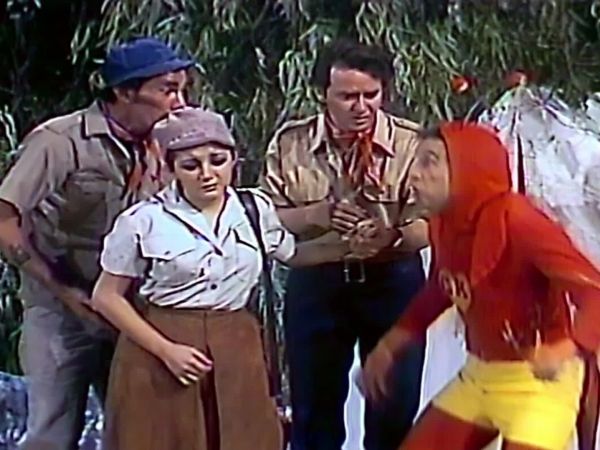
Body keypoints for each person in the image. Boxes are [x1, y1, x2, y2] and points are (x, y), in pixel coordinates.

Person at [92, 106, 353, 450]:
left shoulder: (253, 208)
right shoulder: (143, 221)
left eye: (217, 161)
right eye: (191, 165)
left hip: (235, 343)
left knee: (242, 437)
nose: (207, 174)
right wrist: (166, 350)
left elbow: (292, 254)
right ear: (171, 169)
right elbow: (106, 296)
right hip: (163, 343)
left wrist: (351, 246)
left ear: (233, 161)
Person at [0, 37, 193, 450]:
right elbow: (4, 219)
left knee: (137, 428)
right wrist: (62, 291)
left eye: (181, 90)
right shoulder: (60, 141)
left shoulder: (168, 143)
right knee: (52, 429)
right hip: (62, 304)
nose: (179, 102)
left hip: (132, 306)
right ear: (125, 92)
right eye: (167, 90)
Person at [362, 121, 600, 450]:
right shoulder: (444, 223)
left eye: (429, 162)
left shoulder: (519, 221)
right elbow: (442, 289)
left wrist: (563, 349)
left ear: (467, 168)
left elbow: (593, 292)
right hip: (480, 375)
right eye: (415, 161)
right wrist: (390, 344)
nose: (413, 175)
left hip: (540, 384)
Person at [259, 38, 429, 450]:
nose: (361, 107)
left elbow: (433, 222)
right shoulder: (291, 143)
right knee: (314, 412)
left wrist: (392, 235)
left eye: (371, 95)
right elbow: (266, 217)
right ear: (323, 94)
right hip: (318, 280)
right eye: (348, 96)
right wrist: (314, 214)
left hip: (393, 280)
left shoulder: (413, 144)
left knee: (394, 409)